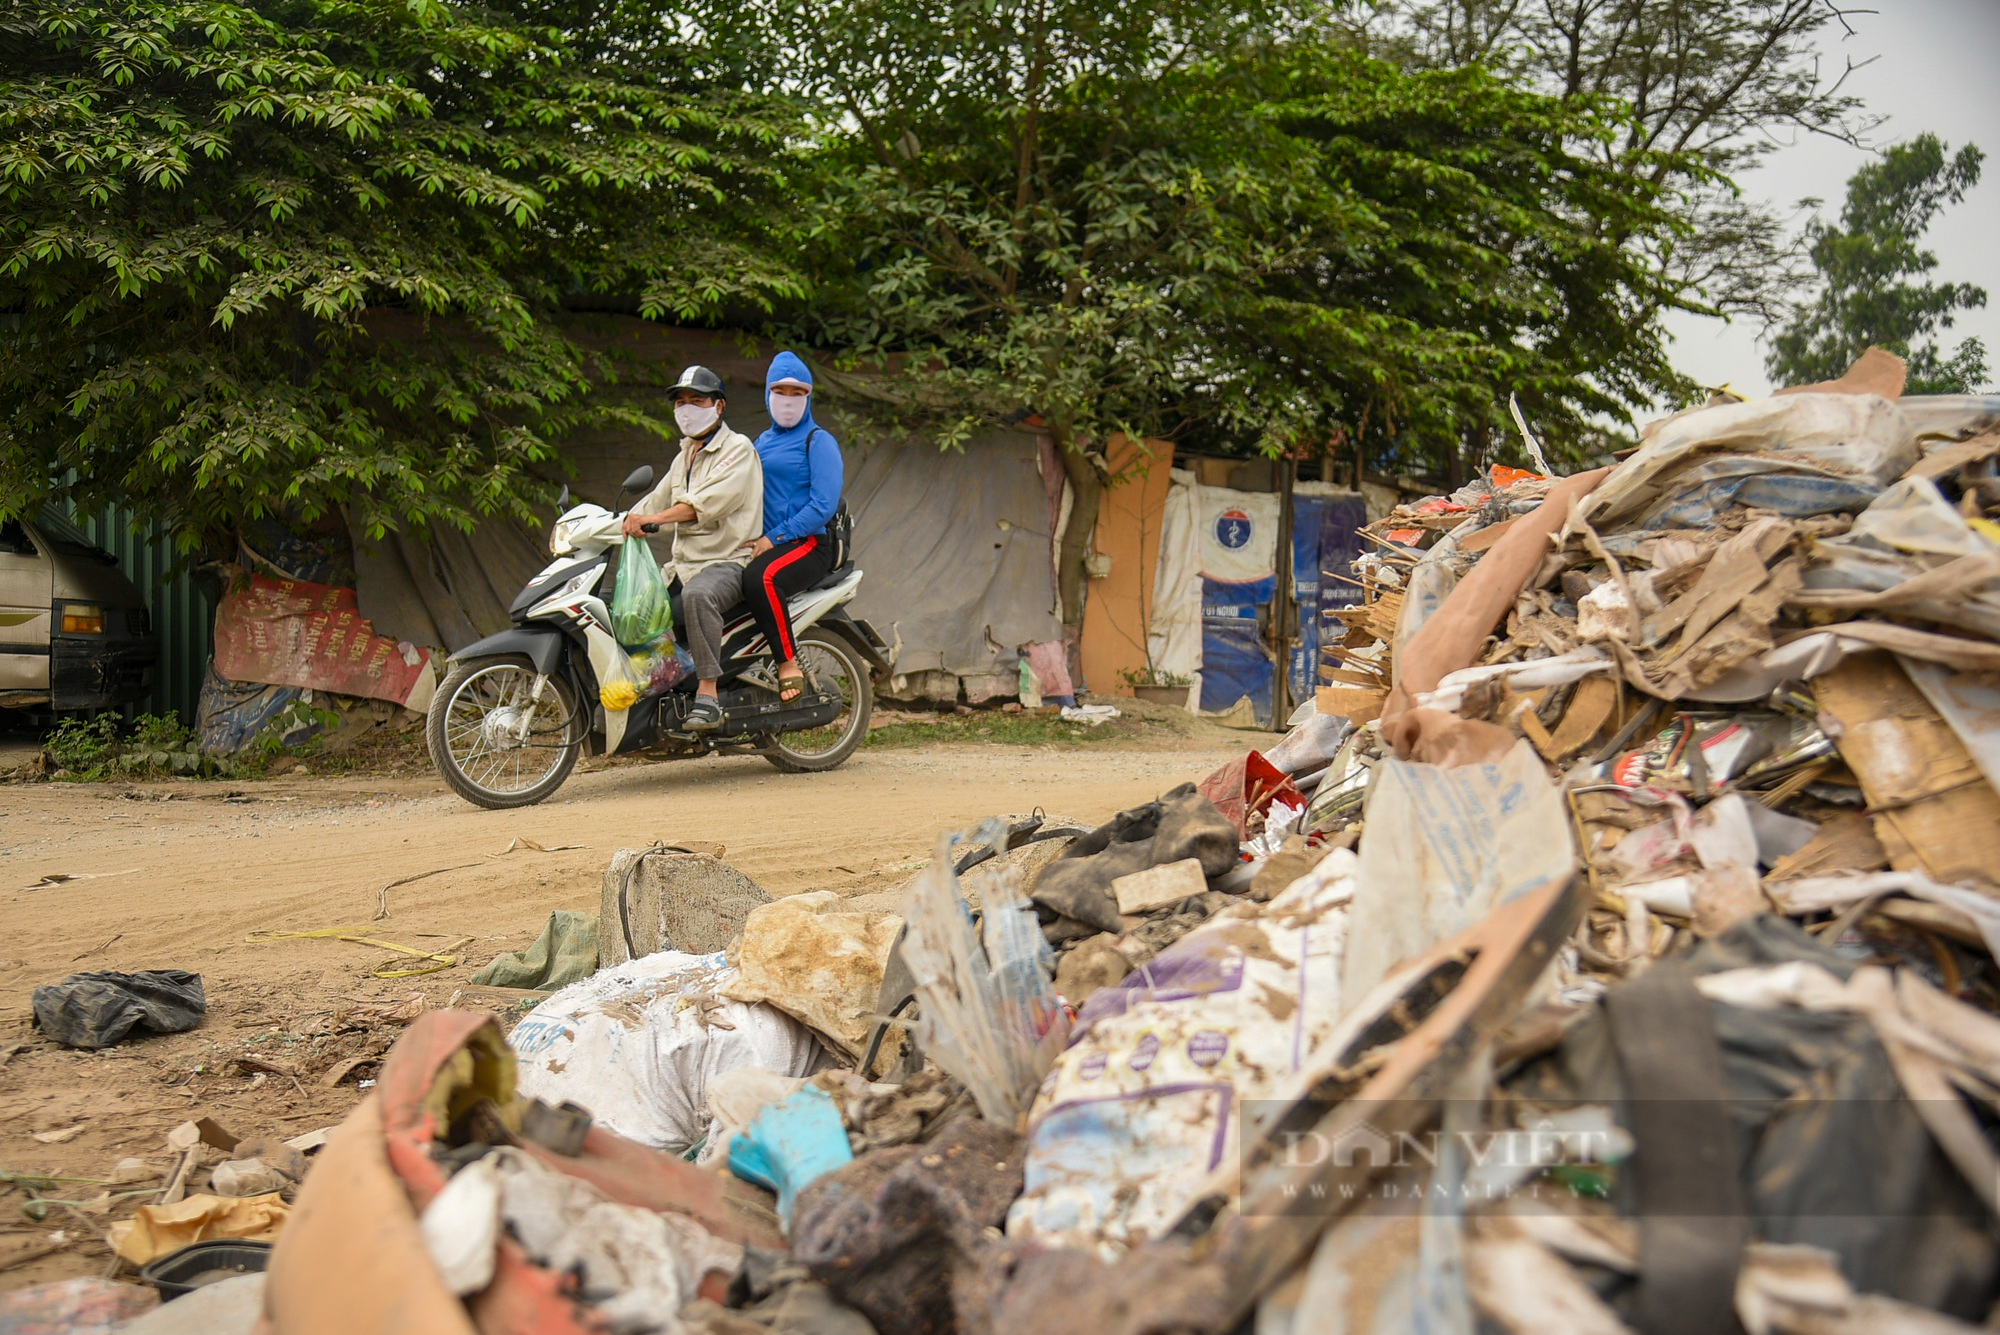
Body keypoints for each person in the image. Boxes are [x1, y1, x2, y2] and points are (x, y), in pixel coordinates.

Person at [623, 365, 763, 731]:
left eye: (696, 400)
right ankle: (659, 698)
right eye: (680, 402)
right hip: (684, 565)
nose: (686, 408)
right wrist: (618, 522)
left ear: (719, 406)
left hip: (728, 561)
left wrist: (659, 519)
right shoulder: (684, 454)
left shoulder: (738, 449)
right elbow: (654, 502)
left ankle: (708, 695)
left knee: (697, 596)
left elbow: (703, 505)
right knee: (638, 609)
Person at [743, 351, 844, 701]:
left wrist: (775, 537)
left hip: (808, 543)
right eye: (780, 391)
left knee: (761, 577)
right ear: (767, 395)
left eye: (796, 392)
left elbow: (823, 505)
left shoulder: (818, 441)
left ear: (809, 396)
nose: (787, 400)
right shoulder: (761, 442)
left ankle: (787, 662)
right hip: (766, 543)